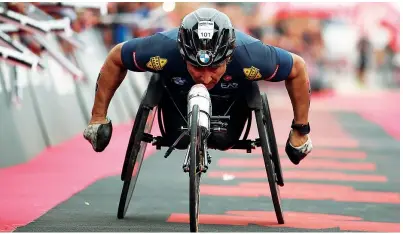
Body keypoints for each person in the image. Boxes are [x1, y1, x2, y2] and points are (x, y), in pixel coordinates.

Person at [83, 8, 312, 165]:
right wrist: (98, 117)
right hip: (176, 105)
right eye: (196, 68)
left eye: (214, 69)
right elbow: (116, 57)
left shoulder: (253, 55)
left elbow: (297, 68)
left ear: (229, 57)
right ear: (182, 54)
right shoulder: (162, 49)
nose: (204, 77)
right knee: (179, 140)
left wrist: (300, 130)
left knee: (224, 141)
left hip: (231, 108)